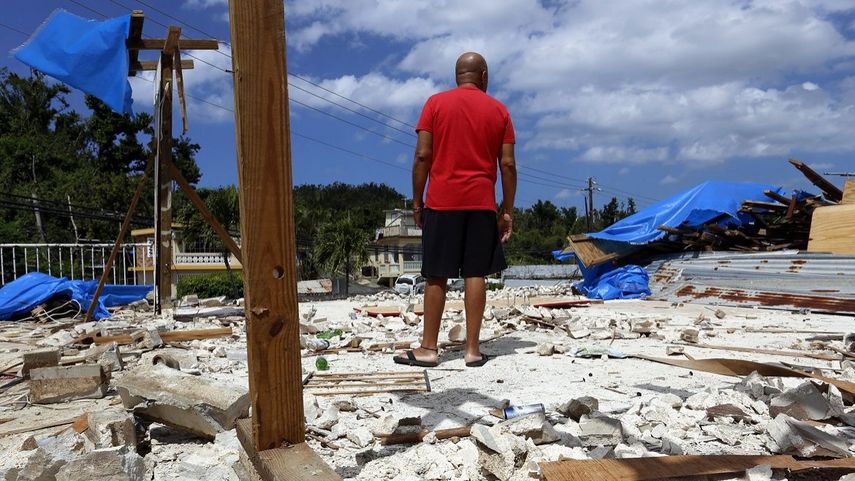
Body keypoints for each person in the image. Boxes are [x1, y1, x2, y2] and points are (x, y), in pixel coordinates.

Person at [393, 51, 516, 368]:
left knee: (437, 274)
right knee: (476, 272)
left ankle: (429, 349)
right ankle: (472, 350)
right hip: (481, 203)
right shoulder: (500, 111)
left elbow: (422, 156)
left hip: (442, 201)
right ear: (484, 75)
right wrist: (506, 211)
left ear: (457, 75)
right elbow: (508, 164)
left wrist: (417, 201)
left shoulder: (435, 103)